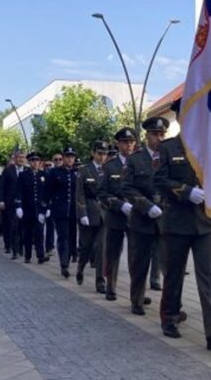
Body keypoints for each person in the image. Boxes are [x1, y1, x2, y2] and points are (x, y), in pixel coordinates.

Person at [153, 99, 211, 352]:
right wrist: (185, 191)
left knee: (208, 277)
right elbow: (160, 180)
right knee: (174, 273)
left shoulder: (210, 146)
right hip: (177, 221)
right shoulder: (168, 148)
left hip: (205, 222)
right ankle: (169, 317)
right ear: (179, 118)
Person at [122, 117, 168, 316]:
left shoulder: (169, 156)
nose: (158, 138)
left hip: (166, 220)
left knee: (169, 265)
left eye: (161, 134)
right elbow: (127, 188)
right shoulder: (135, 159)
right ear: (147, 136)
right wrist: (146, 206)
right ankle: (137, 300)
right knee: (140, 263)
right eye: (155, 134)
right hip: (142, 219)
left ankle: (171, 306)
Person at [97, 127, 137, 301]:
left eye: (131, 142)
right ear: (118, 144)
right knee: (113, 253)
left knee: (136, 256)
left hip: (137, 216)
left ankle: (136, 293)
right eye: (125, 142)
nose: (128, 145)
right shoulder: (109, 166)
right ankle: (111, 288)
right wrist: (119, 205)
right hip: (116, 216)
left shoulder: (140, 162)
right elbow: (102, 193)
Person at [74, 140, 108, 292]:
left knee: (101, 249)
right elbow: (79, 194)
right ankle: (80, 269)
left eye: (105, 154)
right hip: (89, 212)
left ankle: (100, 282)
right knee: (86, 247)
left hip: (104, 214)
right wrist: (82, 213)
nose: (102, 157)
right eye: (99, 153)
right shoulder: (84, 170)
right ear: (93, 153)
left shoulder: (108, 170)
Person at [47, 146, 78, 277]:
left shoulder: (78, 172)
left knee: (72, 237)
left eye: (72, 156)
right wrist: (47, 207)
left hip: (74, 210)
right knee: (63, 237)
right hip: (60, 210)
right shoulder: (55, 173)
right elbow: (48, 191)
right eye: (67, 156)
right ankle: (64, 264)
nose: (70, 159)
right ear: (63, 158)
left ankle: (70, 256)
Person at [17, 152, 48, 264]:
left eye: (37, 161)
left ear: (40, 162)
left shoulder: (44, 175)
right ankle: (28, 255)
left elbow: (47, 193)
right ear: (29, 162)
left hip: (40, 209)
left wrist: (47, 208)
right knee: (28, 233)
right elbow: (19, 192)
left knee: (39, 232)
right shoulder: (23, 175)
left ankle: (40, 255)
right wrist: (19, 207)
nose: (35, 163)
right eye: (32, 161)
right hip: (27, 208)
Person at [0, 150, 25, 260]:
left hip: (24, 204)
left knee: (23, 227)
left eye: (23, 157)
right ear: (15, 158)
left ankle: (21, 248)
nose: (21, 159)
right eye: (19, 157)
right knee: (14, 226)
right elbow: (1, 186)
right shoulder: (8, 171)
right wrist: (1, 200)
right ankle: (14, 249)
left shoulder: (27, 170)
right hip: (11, 203)